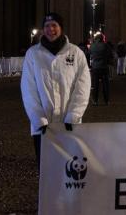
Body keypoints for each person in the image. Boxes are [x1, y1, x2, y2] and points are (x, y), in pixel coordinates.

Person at [20, 12, 90, 167]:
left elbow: (82, 87)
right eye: (46, 26)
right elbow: (28, 89)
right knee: (46, 173)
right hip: (43, 127)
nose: (50, 29)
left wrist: (73, 115)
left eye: (54, 25)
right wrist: (39, 119)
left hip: (70, 124)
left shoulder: (76, 53)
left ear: (61, 28)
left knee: (69, 172)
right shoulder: (33, 54)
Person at [88, 33, 112, 105]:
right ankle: (106, 100)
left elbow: (89, 54)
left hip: (95, 67)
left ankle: (95, 101)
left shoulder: (92, 46)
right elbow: (109, 55)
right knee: (105, 85)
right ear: (102, 38)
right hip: (104, 67)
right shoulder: (105, 45)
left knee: (95, 85)